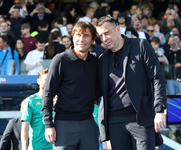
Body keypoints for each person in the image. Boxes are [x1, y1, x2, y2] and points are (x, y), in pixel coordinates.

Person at [96, 16, 167, 150]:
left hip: (141, 120)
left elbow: (158, 77)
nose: (104, 38)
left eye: (107, 33)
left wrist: (159, 110)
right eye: (100, 35)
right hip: (114, 123)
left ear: (117, 29)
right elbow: (95, 90)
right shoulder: (102, 59)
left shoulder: (140, 46)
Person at [42, 21, 99, 150]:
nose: (81, 39)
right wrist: (48, 125)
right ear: (72, 37)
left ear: (93, 39)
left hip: (88, 123)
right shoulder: (60, 59)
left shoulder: (96, 60)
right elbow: (48, 93)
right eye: (78, 35)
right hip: (63, 124)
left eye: (86, 35)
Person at [21, 68, 53, 150]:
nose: (48, 82)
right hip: (36, 147)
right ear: (38, 81)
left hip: (55, 147)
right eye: (45, 79)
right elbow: (25, 126)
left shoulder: (58, 99)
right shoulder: (30, 101)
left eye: (50, 79)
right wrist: (24, 148)